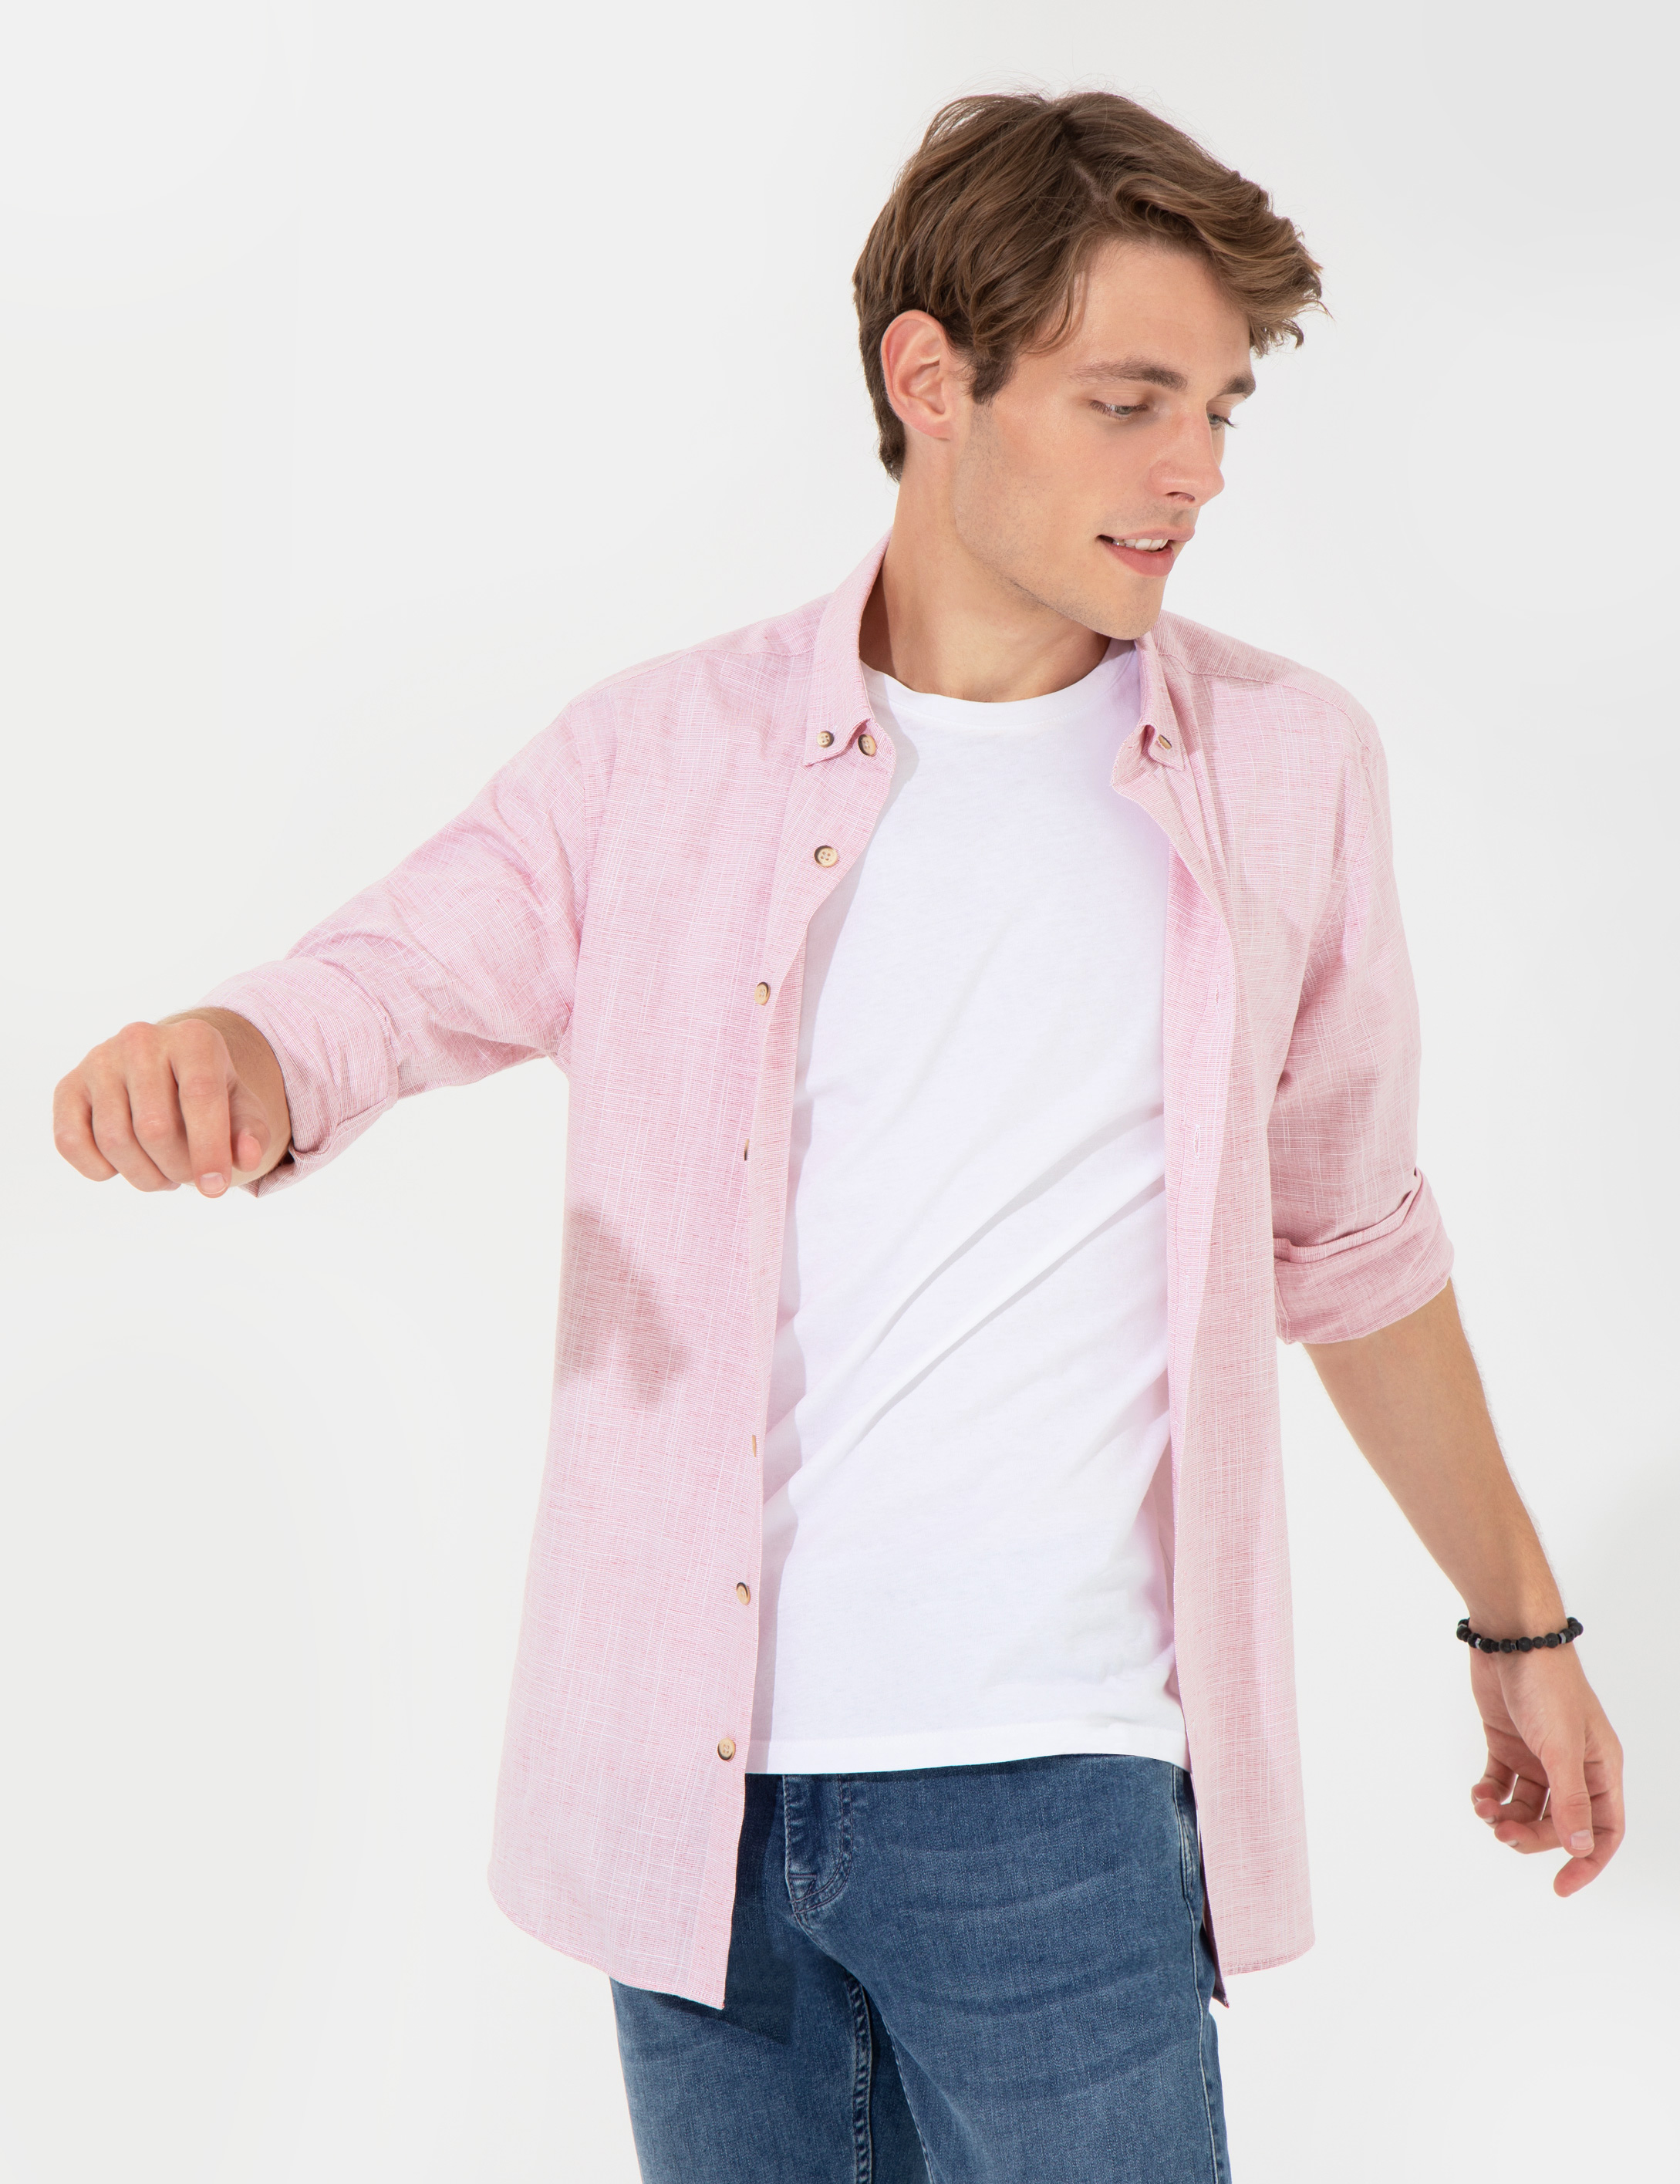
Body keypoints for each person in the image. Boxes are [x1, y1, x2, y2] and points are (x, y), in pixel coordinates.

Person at [52, 88, 1624, 2184]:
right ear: (929, 377)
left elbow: (1347, 1239)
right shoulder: (660, 755)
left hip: (1059, 1794)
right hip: (684, 1820)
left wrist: (1519, 1628)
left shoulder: (1282, 765)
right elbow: (387, 981)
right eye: (1130, 401)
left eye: (1220, 409)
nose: (1195, 471)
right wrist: (230, 1052)